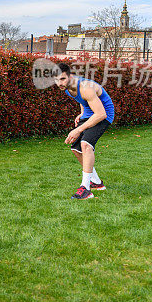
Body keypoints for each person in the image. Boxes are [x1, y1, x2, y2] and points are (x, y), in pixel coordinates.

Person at [54, 62, 114, 200]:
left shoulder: (86, 87)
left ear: (70, 76)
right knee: (76, 149)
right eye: (56, 80)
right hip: (89, 113)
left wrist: (78, 129)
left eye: (62, 79)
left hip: (103, 114)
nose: (60, 83)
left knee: (85, 144)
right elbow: (82, 100)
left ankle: (85, 188)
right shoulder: (68, 88)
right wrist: (82, 113)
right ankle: (97, 183)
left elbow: (101, 114)